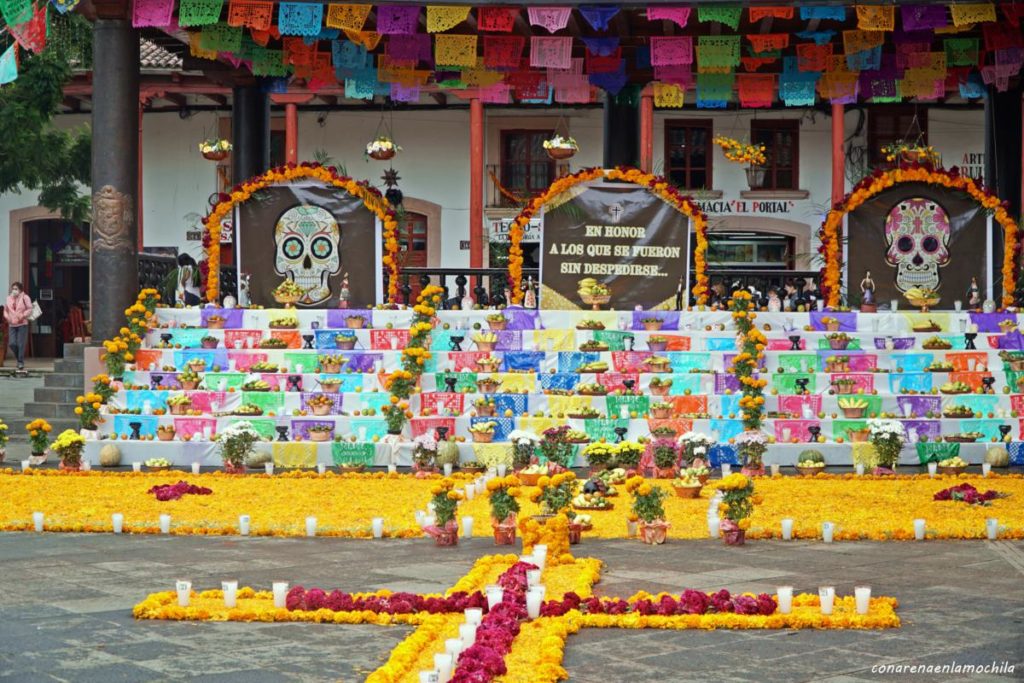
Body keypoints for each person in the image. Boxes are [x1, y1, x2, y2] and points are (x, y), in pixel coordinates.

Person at [4, 282, 32, 371]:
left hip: (22, 323)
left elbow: (30, 308)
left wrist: (23, 315)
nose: (14, 290)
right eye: (13, 289)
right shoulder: (8, 298)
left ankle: (20, 362)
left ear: (20, 290)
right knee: (12, 344)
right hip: (12, 324)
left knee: (20, 344)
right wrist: (7, 318)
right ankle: (19, 358)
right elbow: (6, 310)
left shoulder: (25, 297)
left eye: (16, 289)